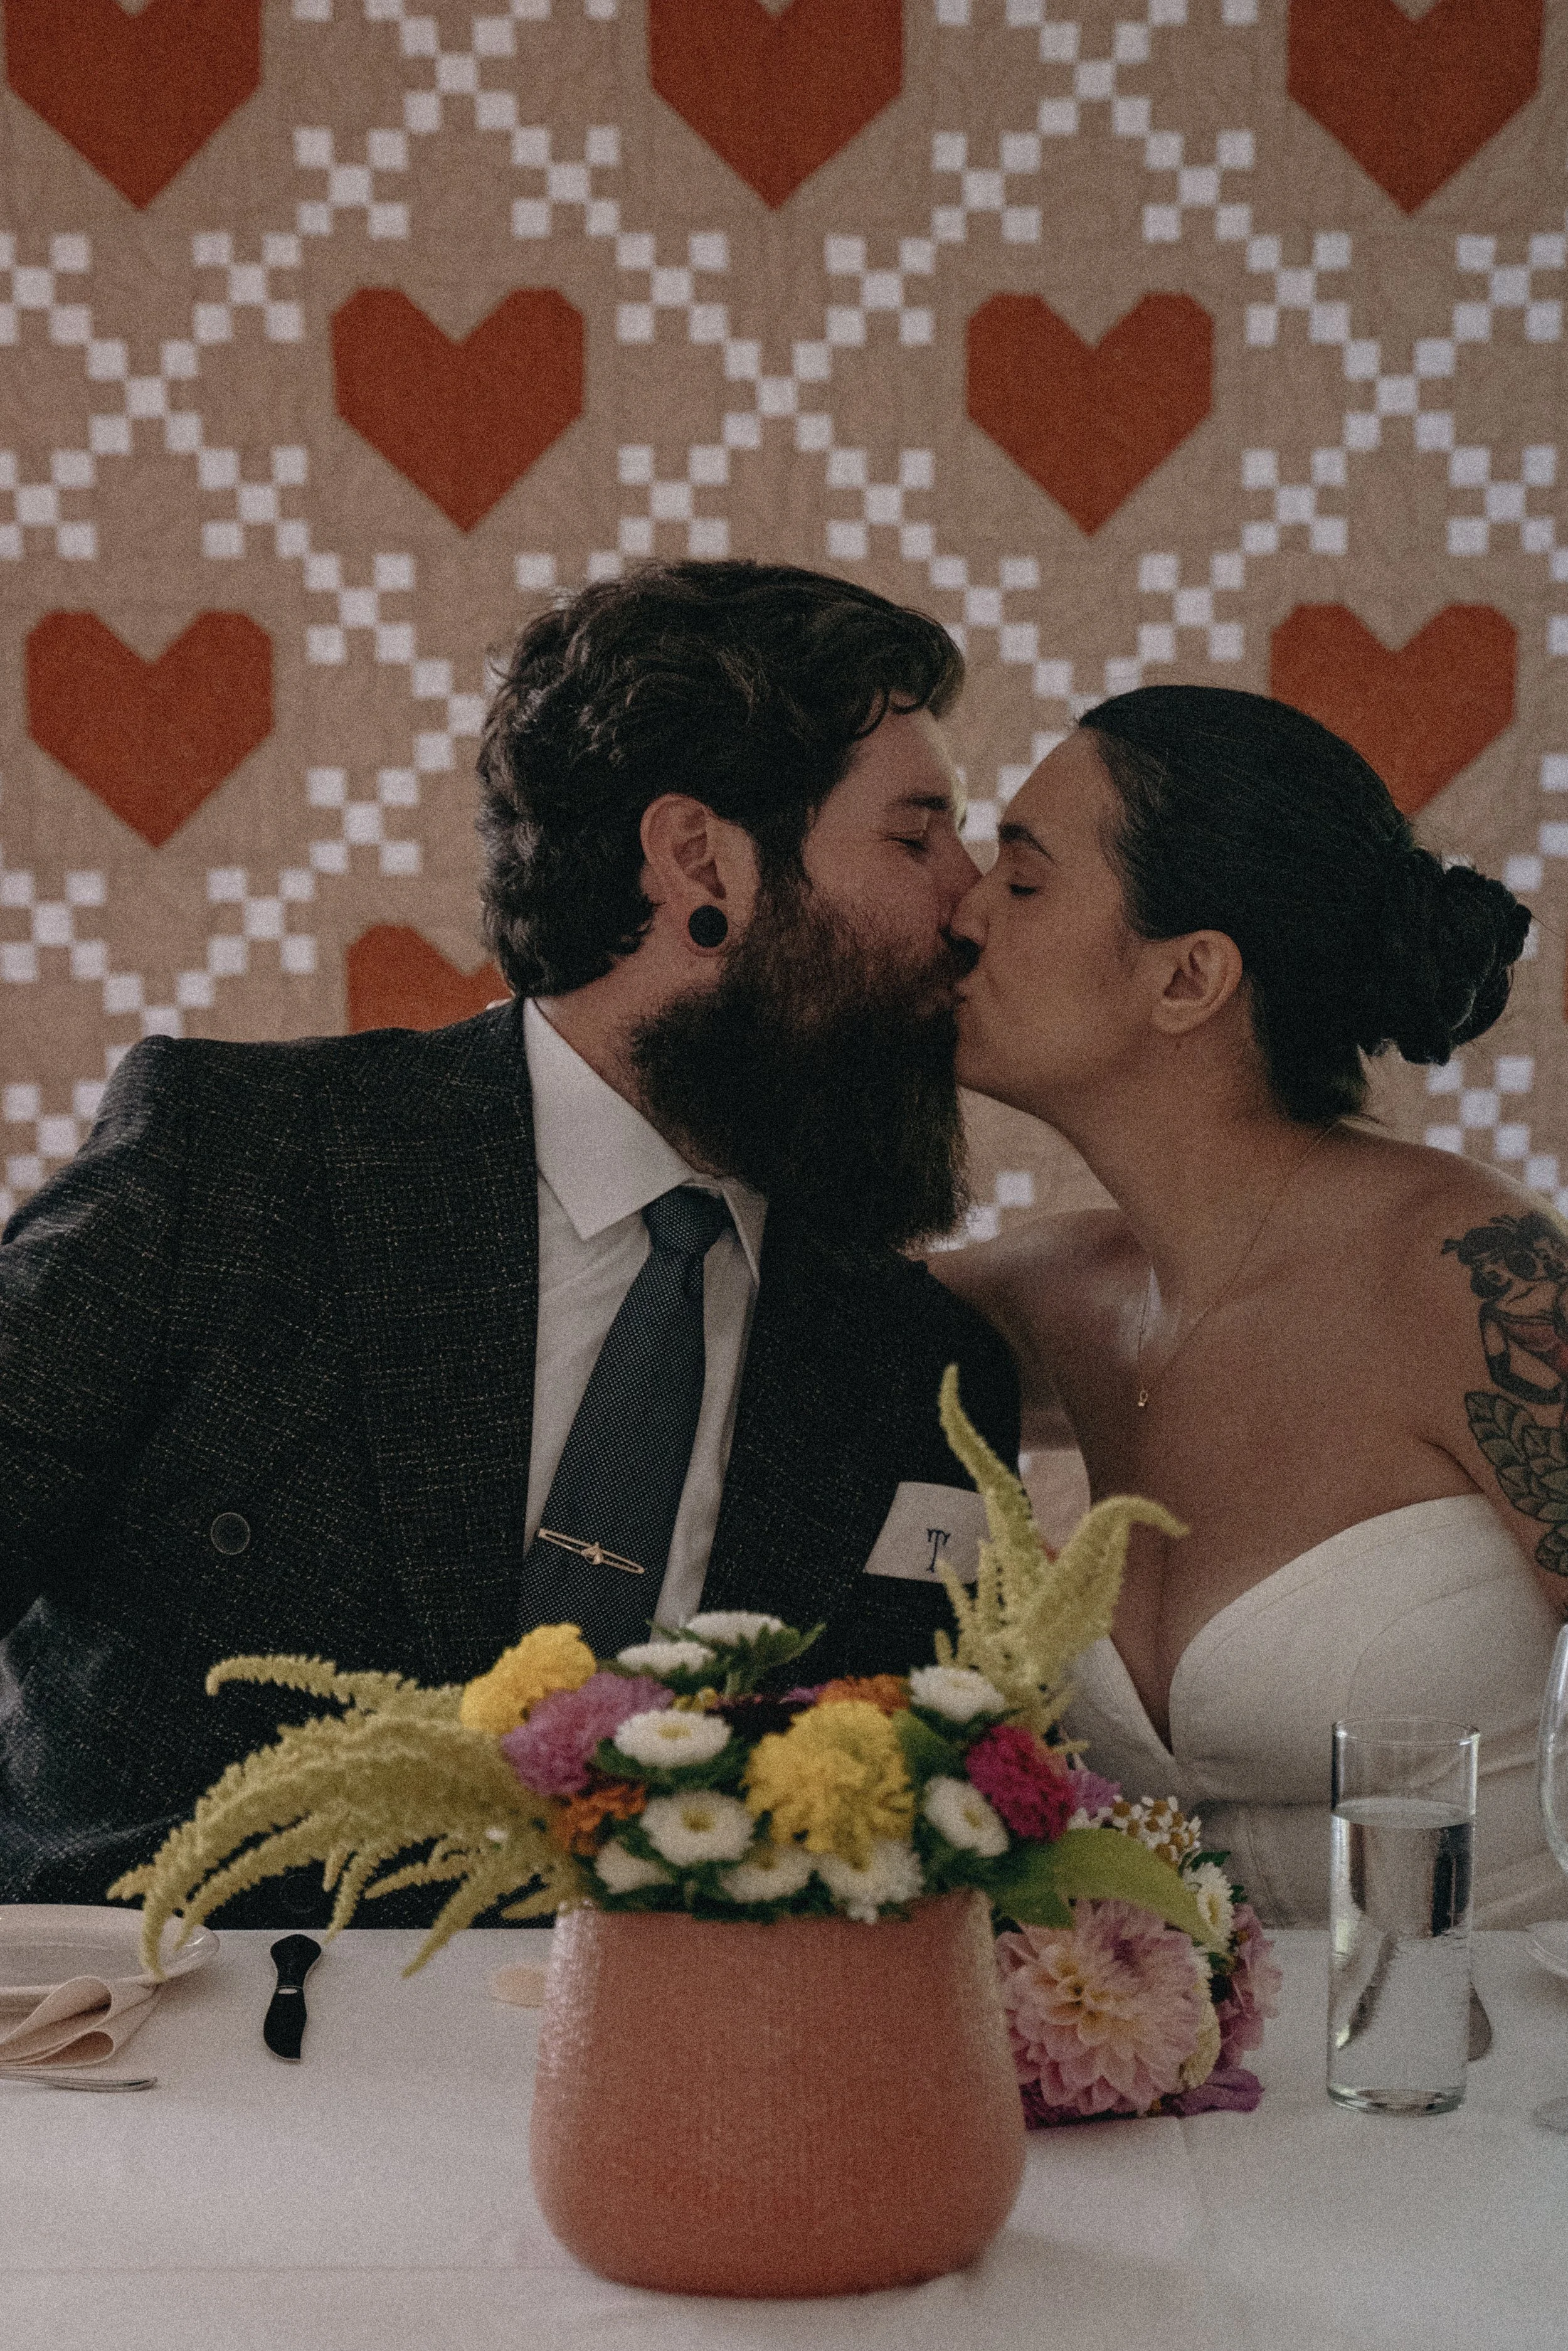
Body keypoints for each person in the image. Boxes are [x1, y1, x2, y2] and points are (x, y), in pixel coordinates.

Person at [0, 560, 1019, 1918]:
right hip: (154, 2066)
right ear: (699, 858)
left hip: (650, 2090)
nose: (967, 898)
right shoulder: (235, 1166)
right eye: (915, 833)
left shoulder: (919, 1368)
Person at [935, 683, 1565, 1927]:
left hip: (1507, 2077)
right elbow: (736, 1308)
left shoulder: (1474, 1275)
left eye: (1020, 883)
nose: (958, 914)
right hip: (1190, 2091)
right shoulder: (1046, 1299)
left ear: (1188, 978)